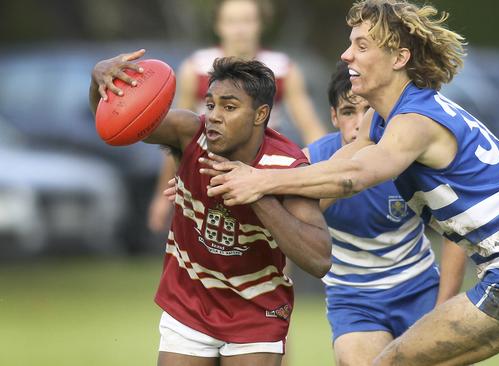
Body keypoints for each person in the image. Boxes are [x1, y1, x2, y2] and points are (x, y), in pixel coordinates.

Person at [200, 0, 499, 364]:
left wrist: (259, 182)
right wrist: (251, 181)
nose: (346, 55)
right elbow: (343, 161)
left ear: (399, 57)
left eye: (360, 46)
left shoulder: (414, 121)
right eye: (348, 44)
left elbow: (356, 176)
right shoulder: (386, 115)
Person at [89, 50, 331, 366]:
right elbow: (115, 125)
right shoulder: (190, 132)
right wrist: (99, 81)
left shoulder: (286, 166)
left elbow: (319, 259)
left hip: (256, 307)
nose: (214, 115)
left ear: (260, 115)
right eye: (211, 104)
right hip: (189, 298)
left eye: (229, 107)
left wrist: (256, 192)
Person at [305, 61, 466, 365]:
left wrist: (442, 309)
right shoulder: (313, 162)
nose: (358, 123)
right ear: (334, 117)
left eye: (368, 111)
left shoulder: (409, 157)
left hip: (418, 287)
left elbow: (457, 231)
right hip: (354, 299)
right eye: (348, 112)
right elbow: (292, 220)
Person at [148, 0, 327, 233]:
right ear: (218, 26)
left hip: (264, 170)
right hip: (207, 169)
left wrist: (327, 172)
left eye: (247, 20)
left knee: (277, 242)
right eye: (232, 21)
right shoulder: (196, 68)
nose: (240, 29)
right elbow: (175, 137)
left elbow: (311, 127)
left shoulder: (283, 69)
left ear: (260, 24)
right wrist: (161, 196)